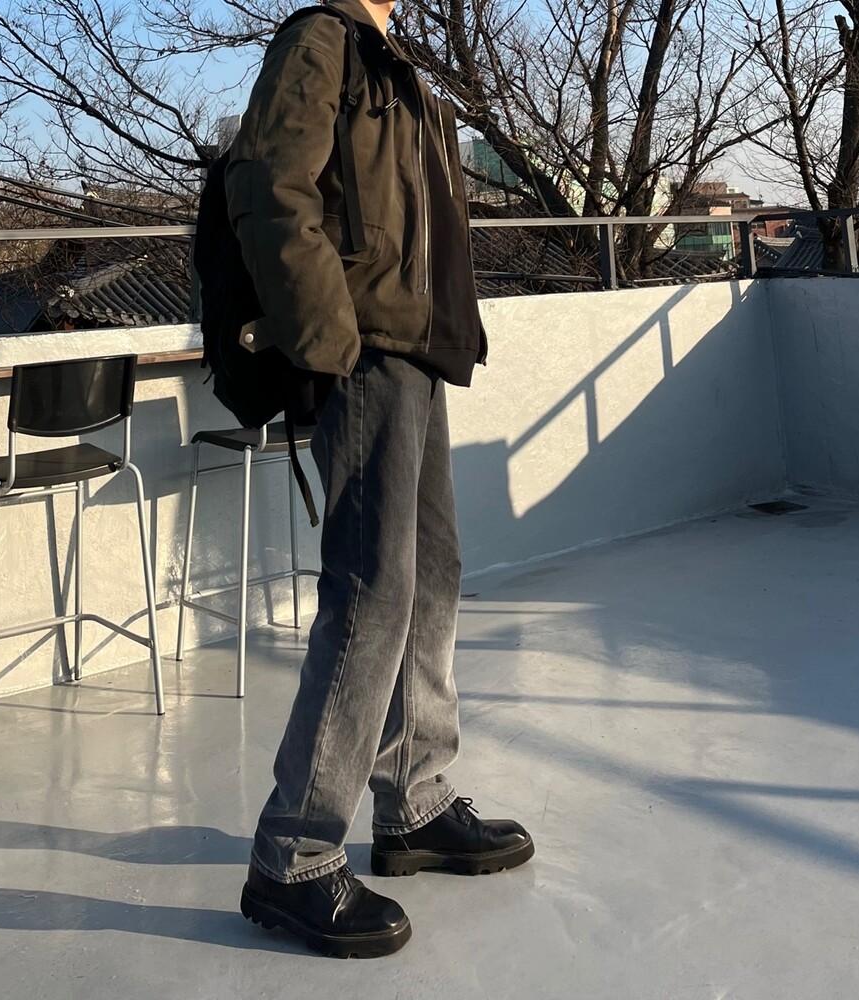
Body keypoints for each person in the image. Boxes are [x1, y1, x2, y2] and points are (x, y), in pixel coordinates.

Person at [225, 0, 534, 959]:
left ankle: (413, 800)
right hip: (363, 354)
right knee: (370, 591)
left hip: (417, 354)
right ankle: (295, 852)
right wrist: (330, 340)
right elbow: (269, 184)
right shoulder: (320, 41)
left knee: (431, 575)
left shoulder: (390, 60)